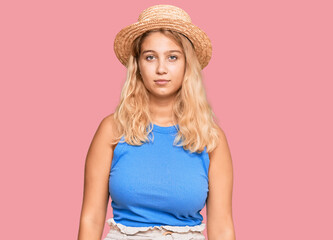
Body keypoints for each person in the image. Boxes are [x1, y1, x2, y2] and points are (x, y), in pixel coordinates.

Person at [77, 4, 235, 240]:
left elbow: (222, 227)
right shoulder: (112, 129)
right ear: (138, 66)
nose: (161, 69)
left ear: (187, 66)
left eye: (173, 57)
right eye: (150, 57)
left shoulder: (211, 137)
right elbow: (91, 217)